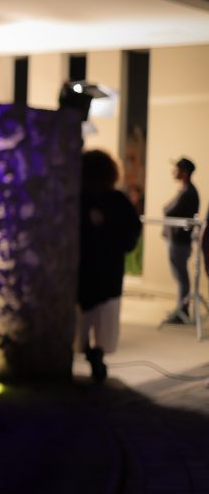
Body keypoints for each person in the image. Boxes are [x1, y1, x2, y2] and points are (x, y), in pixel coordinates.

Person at [76, 150, 142, 381]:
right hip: (107, 272)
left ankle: (91, 353)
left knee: (85, 319)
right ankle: (96, 354)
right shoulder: (116, 200)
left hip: (88, 272)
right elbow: (131, 235)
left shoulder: (81, 199)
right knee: (103, 320)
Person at [163, 157, 199, 324]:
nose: (173, 172)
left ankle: (182, 311)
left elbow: (169, 210)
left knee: (182, 276)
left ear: (184, 173)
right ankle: (181, 309)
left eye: (176, 169)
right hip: (177, 240)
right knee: (180, 276)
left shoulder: (188, 193)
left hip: (180, 242)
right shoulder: (185, 190)